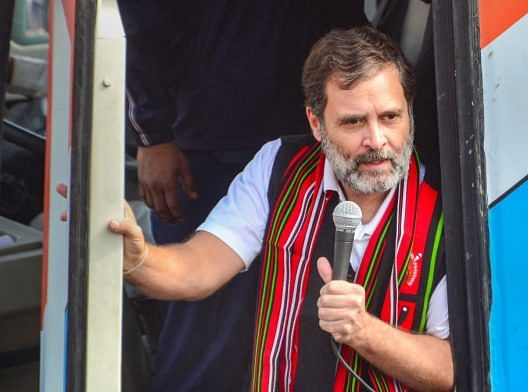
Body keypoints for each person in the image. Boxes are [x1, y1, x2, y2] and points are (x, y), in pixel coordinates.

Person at [110, 26, 453, 391]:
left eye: (390, 117)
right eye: (353, 122)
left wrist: (363, 330)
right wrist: (136, 259)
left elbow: (451, 369)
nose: (376, 141)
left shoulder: (447, 207)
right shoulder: (281, 165)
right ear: (316, 124)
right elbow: (198, 268)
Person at [116, 1, 368, 389]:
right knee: (206, 335)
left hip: (328, 137)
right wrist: (153, 135)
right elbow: (140, 23)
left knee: (297, 322)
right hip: (212, 144)